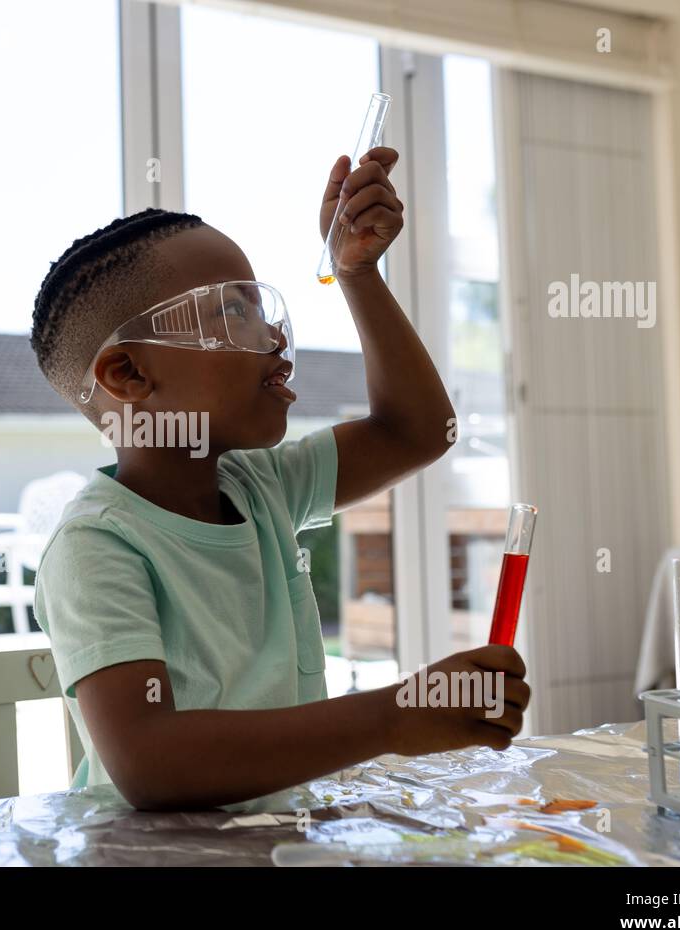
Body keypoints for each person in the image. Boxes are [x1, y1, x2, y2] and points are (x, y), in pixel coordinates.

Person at [29, 146, 529, 811]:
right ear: (129, 375)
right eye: (235, 312)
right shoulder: (96, 545)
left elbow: (418, 431)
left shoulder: (260, 486)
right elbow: (150, 761)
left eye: (262, 308)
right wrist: (392, 716)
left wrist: (357, 272)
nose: (274, 337)